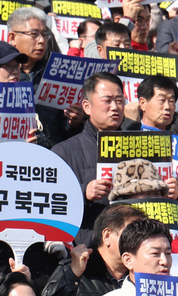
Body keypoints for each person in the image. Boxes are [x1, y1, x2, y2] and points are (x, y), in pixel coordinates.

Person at [53, 73, 129, 231]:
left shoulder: (138, 148)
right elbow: (50, 200)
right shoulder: (64, 151)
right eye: (107, 100)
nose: (115, 107)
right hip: (86, 240)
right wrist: (83, 192)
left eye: (119, 100)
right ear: (87, 107)